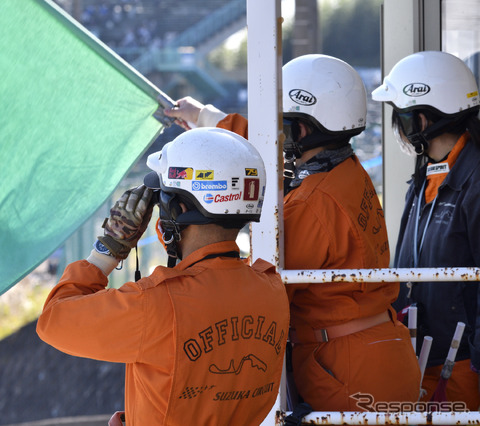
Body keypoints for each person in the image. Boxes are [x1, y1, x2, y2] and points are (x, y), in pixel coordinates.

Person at [164, 54, 421, 411]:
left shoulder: (310, 205)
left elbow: (264, 294)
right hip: (375, 353)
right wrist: (205, 119)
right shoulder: (343, 168)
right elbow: (267, 142)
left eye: (283, 125)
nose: (275, 134)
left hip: (345, 372)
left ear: (301, 130)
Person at [37, 127, 289, 425]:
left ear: (178, 208)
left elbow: (54, 321)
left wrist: (109, 248)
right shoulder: (271, 289)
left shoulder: (157, 304)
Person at [372, 50, 480, 408]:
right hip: (425, 353)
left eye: (400, 117)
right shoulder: (430, 172)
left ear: (422, 119)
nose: (399, 128)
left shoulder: (474, 179)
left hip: (463, 362)